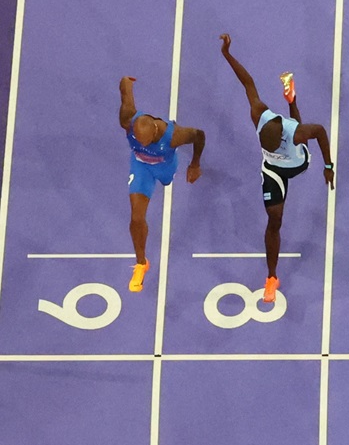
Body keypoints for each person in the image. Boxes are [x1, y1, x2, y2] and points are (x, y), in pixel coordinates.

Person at [219, 34, 334, 303]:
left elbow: (320, 132)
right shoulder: (257, 114)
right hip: (273, 170)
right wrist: (227, 54)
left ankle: (291, 99)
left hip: (298, 163)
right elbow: (247, 82)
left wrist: (328, 166)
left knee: (300, 126)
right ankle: (272, 276)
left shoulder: (294, 133)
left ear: (281, 133)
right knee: (275, 220)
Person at [118, 76, 205, 292]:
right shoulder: (127, 120)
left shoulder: (174, 135)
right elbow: (125, 93)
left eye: (145, 142)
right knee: (136, 217)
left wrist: (194, 164)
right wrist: (126, 82)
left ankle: (166, 175)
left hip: (165, 167)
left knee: (167, 182)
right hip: (141, 168)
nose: (141, 143)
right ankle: (140, 263)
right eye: (137, 140)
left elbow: (199, 136)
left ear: (155, 132)